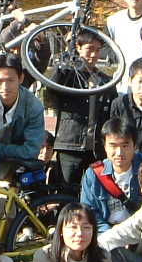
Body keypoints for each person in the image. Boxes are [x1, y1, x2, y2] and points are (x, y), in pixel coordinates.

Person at [45, 32, 115, 187]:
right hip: (70, 144)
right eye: (89, 49)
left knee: (96, 191)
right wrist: (65, 62)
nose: (94, 54)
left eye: (98, 50)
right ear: (78, 47)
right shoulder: (67, 75)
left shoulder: (106, 81)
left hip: (97, 148)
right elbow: (50, 93)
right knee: (66, 190)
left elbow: (112, 113)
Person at [0, 54, 46, 181]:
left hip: (14, 164)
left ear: (21, 78)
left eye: (10, 80)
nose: (5, 87)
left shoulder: (34, 106)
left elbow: (31, 150)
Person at [79, 118, 142, 234]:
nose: (119, 153)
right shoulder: (94, 174)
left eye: (125, 146)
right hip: (107, 233)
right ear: (105, 146)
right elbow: (89, 213)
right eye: (113, 146)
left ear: (135, 146)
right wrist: (113, 235)